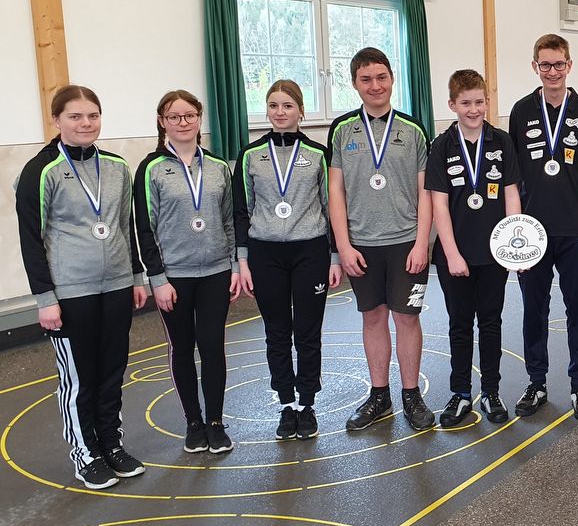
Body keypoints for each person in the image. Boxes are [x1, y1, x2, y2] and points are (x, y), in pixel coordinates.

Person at [17, 85, 149, 489]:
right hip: (69, 292)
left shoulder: (116, 166)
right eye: (75, 116)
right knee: (80, 378)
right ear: (56, 120)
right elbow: (31, 239)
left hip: (116, 286)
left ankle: (111, 444)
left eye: (93, 115)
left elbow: (125, 226)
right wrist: (45, 299)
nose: (86, 123)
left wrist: (135, 276)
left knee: (112, 371)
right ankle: (85, 453)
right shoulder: (40, 170)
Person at [328, 47, 434, 431]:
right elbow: (335, 191)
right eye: (366, 79)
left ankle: (412, 395)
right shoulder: (342, 129)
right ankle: (379, 396)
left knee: (407, 317)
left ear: (392, 79)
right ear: (355, 84)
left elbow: (426, 192)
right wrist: (343, 246)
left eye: (381, 77)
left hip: (406, 243)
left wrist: (422, 243)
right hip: (361, 244)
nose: (375, 86)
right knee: (372, 317)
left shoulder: (413, 129)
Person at [233, 80, 341, 441]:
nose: (280, 112)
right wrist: (243, 261)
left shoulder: (318, 154)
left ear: (301, 111)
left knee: (308, 332)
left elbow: (330, 207)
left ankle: (307, 403)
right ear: (266, 110)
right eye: (274, 106)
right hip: (265, 253)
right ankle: (286, 403)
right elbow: (241, 211)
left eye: (288, 106)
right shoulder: (250, 155)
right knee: (276, 332)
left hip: (310, 250)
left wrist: (335, 256)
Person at [134, 90, 239, 454]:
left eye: (189, 115)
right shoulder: (150, 168)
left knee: (212, 345)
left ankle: (215, 422)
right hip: (173, 277)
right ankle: (193, 422)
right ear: (162, 121)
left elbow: (229, 221)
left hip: (216, 272)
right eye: (174, 117)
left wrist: (234, 265)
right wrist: (157, 278)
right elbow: (144, 228)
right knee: (182, 347)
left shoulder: (218, 167)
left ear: (199, 118)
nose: (183, 122)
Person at [509, 34, 578, 421]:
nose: (552, 71)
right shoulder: (520, 111)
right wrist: (514, 229)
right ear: (535, 66)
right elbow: (513, 177)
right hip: (531, 232)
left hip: (576, 230)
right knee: (534, 310)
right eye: (545, 64)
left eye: (558, 64)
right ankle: (537, 382)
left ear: (569, 65)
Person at [426, 70, 521, 426]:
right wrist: (451, 253)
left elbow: (511, 194)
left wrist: (513, 245)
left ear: (487, 102)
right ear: (452, 104)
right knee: (460, 325)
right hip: (455, 255)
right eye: (465, 103)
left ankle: (492, 392)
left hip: (493, 254)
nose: (473, 109)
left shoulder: (502, 141)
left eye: (479, 102)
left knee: (492, 323)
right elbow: (438, 204)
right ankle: (461, 393)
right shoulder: (441, 146)